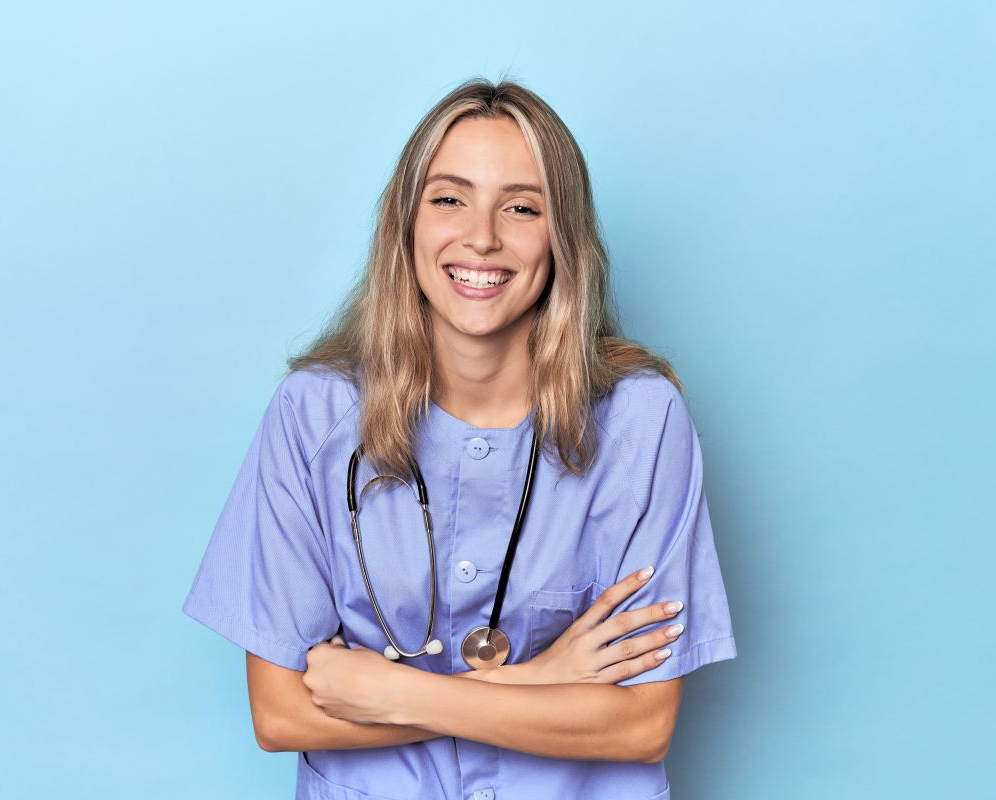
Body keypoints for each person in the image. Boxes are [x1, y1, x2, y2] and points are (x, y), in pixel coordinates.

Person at [181, 76, 736, 800]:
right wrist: (540, 683)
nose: (482, 237)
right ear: (405, 223)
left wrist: (391, 692)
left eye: (521, 207)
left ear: (562, 237)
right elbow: (282, 712)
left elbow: (639, 726)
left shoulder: (643, 423)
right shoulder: (312, 416)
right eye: (449, 198)